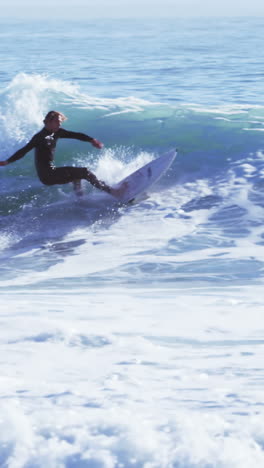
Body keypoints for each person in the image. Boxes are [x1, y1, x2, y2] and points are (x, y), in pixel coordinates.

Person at [0, 110, 119, 197]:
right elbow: (23, 150)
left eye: (60, 122)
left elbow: (76, 135)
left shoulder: (57, 132)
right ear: (47, 121)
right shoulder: (39, 137)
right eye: (57, 121)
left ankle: (80, 200)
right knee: (85, 172)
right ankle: (112, 192)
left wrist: (92, 140)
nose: (59, 124)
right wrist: (7, 161)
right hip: (47, 175)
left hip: (50, 174)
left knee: (77, 175)